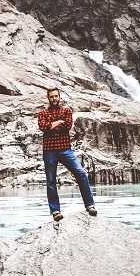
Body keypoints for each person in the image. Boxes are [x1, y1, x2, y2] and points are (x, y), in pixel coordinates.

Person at [37, 87, 97, 222]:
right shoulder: (42, 113)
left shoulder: (67, 111)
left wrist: (51, 126)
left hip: (65, 149)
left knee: (81, 173)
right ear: (48, 98)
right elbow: (43, 127)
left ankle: (90, 205)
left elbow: (67, 125)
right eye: (51, 96)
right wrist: (58, 123)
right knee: (51, 181)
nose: (54, 99)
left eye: (56, 96)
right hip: (49, 150)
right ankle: (55, 211)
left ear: (59, 97)